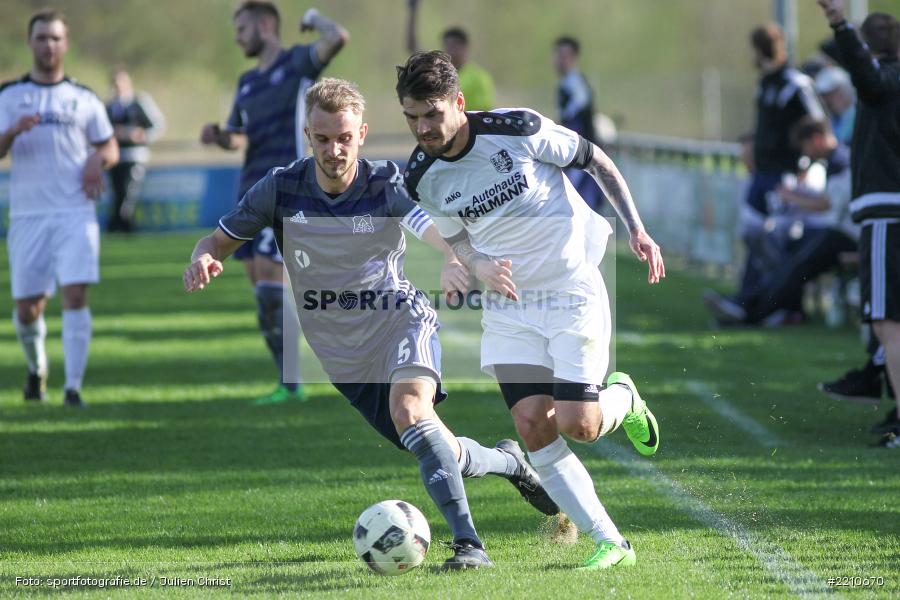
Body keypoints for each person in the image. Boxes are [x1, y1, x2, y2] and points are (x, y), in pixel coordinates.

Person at [183, 78, 559, 569]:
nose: (334, 150)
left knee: (411, 411)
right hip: (343, 359)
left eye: (344, 138)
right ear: (307, 135)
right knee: (436, 446)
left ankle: (470, 546)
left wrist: (454, 256)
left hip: (400, 322)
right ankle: (510, 462)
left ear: (361, 133)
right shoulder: (280, 188)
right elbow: (216, 241)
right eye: (322, 139)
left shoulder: (384, 182)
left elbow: (430, 226)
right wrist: (203, 258)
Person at [395, 51, 665, 570]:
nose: (422, 128)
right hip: (509, 306)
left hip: (570, 291)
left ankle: (623, 398)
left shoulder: (517, 128)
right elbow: (457, 238)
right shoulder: (421, 176)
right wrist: (475, 264)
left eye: (432, 114)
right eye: (412, 117)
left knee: (580, 424)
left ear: (458, 103)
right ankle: (610, 542)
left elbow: (595, 160)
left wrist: (636, 228)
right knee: (531, 423)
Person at [199, 1, 348, 405]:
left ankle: (298, 379)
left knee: (270, 280)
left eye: (242, 29)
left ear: (265, 25)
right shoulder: (247, 81)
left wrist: (313, 18)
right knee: (263, 293)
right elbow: (239, 136)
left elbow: (337, 37)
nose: (237, 38)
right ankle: (290, 380)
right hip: (251, 191)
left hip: (288, 190)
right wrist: (220, 136)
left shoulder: (297, 63)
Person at [0, 10, 119, 407]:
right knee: (27, 310)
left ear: (65, 44)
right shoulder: (9, 96)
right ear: (29, 42)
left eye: (55, 38)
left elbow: (110, 146)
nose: (48, 45)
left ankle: (73, 388)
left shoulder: (82, 97)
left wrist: (96, 159)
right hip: (28, 216)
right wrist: (11, 131)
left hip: (75, 214)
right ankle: (37, 369)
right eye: (41, 37)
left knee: (75, 295)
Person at [816, 0, 900, 448]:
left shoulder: (885, 79)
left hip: (888, 214)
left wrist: (839, 21)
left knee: (887, 322)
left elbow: (867, 76)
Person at [705, 118, 857, 326]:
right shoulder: (835, 161)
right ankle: (750, 307)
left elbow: (826, 204)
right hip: (836, 232)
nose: (806, 154)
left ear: (816, 139)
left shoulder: (840, 161)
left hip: (846, 235)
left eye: (805, 147)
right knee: (788, 261)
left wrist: (791, 196)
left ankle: (748, 313)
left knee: (796, 266)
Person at [739, 23, 827, 299]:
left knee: (775, 239)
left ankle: (781, 303)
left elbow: (818, 125)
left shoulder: (795, 84)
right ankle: (751, 299)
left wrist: (806, 164)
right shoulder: (766, 83)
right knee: (753, 235)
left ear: (759, 50)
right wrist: (752, 145)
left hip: (785, 175)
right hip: (762, 173)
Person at [405, 1, 495, 112]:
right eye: (446, 46)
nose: (449, 50)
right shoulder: (438, 73)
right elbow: (412, 47)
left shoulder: (480, 79)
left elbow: (482, 113)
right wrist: (413, 12)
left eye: (453, 46)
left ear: (465, 47)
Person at [105, 68, 165, 233]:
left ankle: (121, 224)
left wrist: (141, 135)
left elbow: (158, 125)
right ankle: (121, 224)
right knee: (117, 192)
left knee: (128, 192)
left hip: (135, 156)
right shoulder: (109, 106)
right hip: (115, 157)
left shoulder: (139, 101)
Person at [553, 36, 603, 213]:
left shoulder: (573, 84)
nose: (559, 60)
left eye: (563, 56)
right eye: (557, 55)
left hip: (580, 153)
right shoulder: (569, 83)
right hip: (580, 152)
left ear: (574, 58)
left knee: (577, 201)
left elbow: (575, 119)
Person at [815, 66, 856, 146]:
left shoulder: (857, 114)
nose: (827, 101)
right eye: (824, 96)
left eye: (831, 94)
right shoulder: (830, 119)